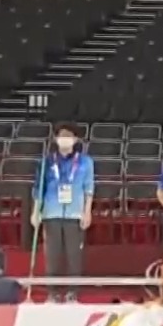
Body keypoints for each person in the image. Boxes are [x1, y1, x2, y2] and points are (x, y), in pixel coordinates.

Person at [34, 122, 94, 304]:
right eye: (62, 135)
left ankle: (72, 293)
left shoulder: (85, 162)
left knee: (74, 255)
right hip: (51, 212)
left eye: (69, 136)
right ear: (56, 139)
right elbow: (39, 189)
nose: (65, 139)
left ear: (75, 140)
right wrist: (36, 212)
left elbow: (89, 189)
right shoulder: (46, 161)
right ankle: (52, 293)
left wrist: (87, 212)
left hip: (75, 213)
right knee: (52, 256)